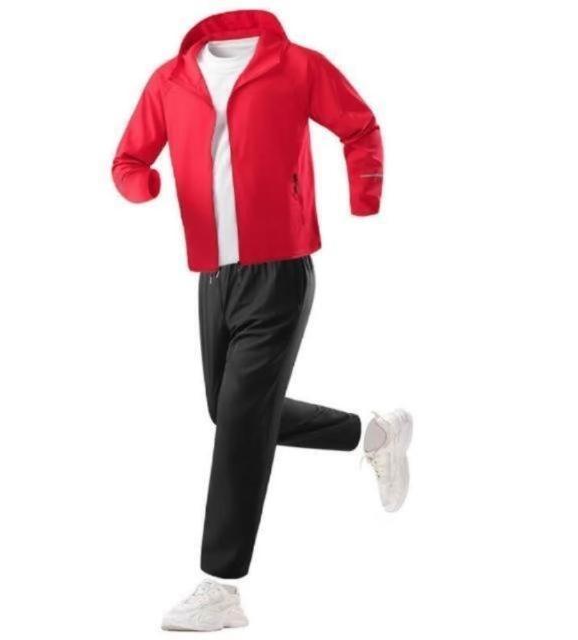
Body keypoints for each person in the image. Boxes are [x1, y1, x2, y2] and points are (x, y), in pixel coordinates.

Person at [112, 10, 412, 632]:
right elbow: (127, 158)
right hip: (213, 277)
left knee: (240, 426)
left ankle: (221, 586)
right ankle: (375, 435)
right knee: (229, 412)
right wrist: (141, 183)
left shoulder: (297, 66)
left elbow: (359, 126)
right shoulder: (169, 81)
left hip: (279, 269)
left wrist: (365, 196)